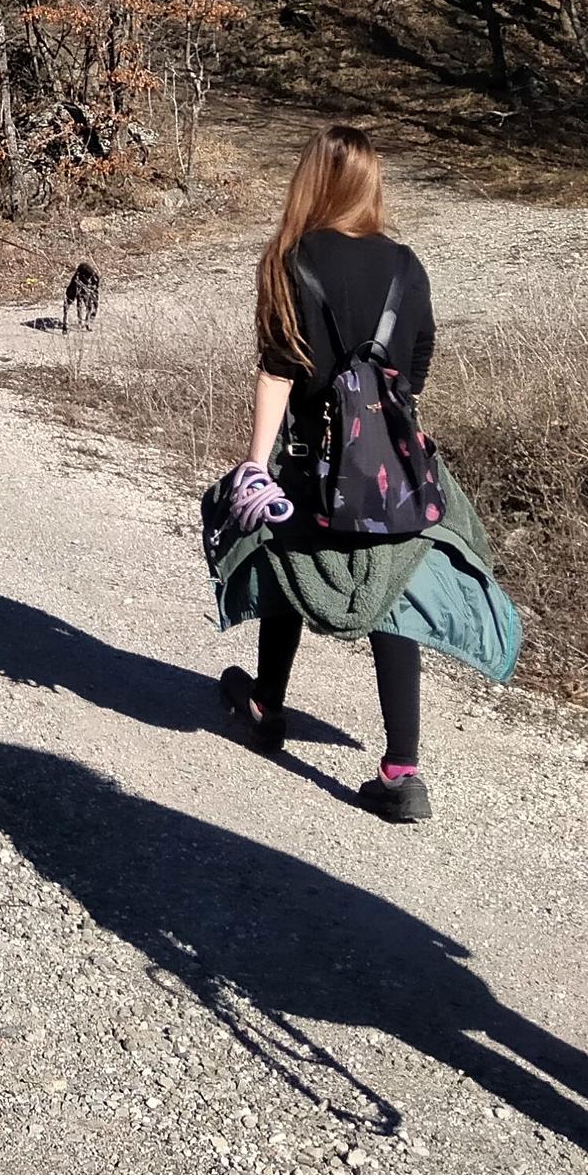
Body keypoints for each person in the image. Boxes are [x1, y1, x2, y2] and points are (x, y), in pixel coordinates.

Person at [217, 124, 442, 822]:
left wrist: (255, 468)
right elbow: (419, 364)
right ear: (372, 183)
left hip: (314, 464)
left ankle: (266, 704)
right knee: (393, 590)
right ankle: (402, 771)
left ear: (312, 179)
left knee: (284, 555)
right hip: (392, 470)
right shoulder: (406, 264)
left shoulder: (290, 259)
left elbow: (278, 367)